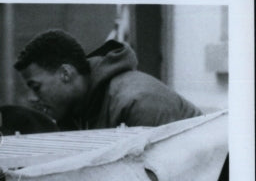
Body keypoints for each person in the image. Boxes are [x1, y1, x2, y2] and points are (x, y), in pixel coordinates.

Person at [13, 29, 202, 130]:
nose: (32, 98)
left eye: (36, 87)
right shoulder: (78, 110)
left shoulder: (139, 102)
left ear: (65, 73)